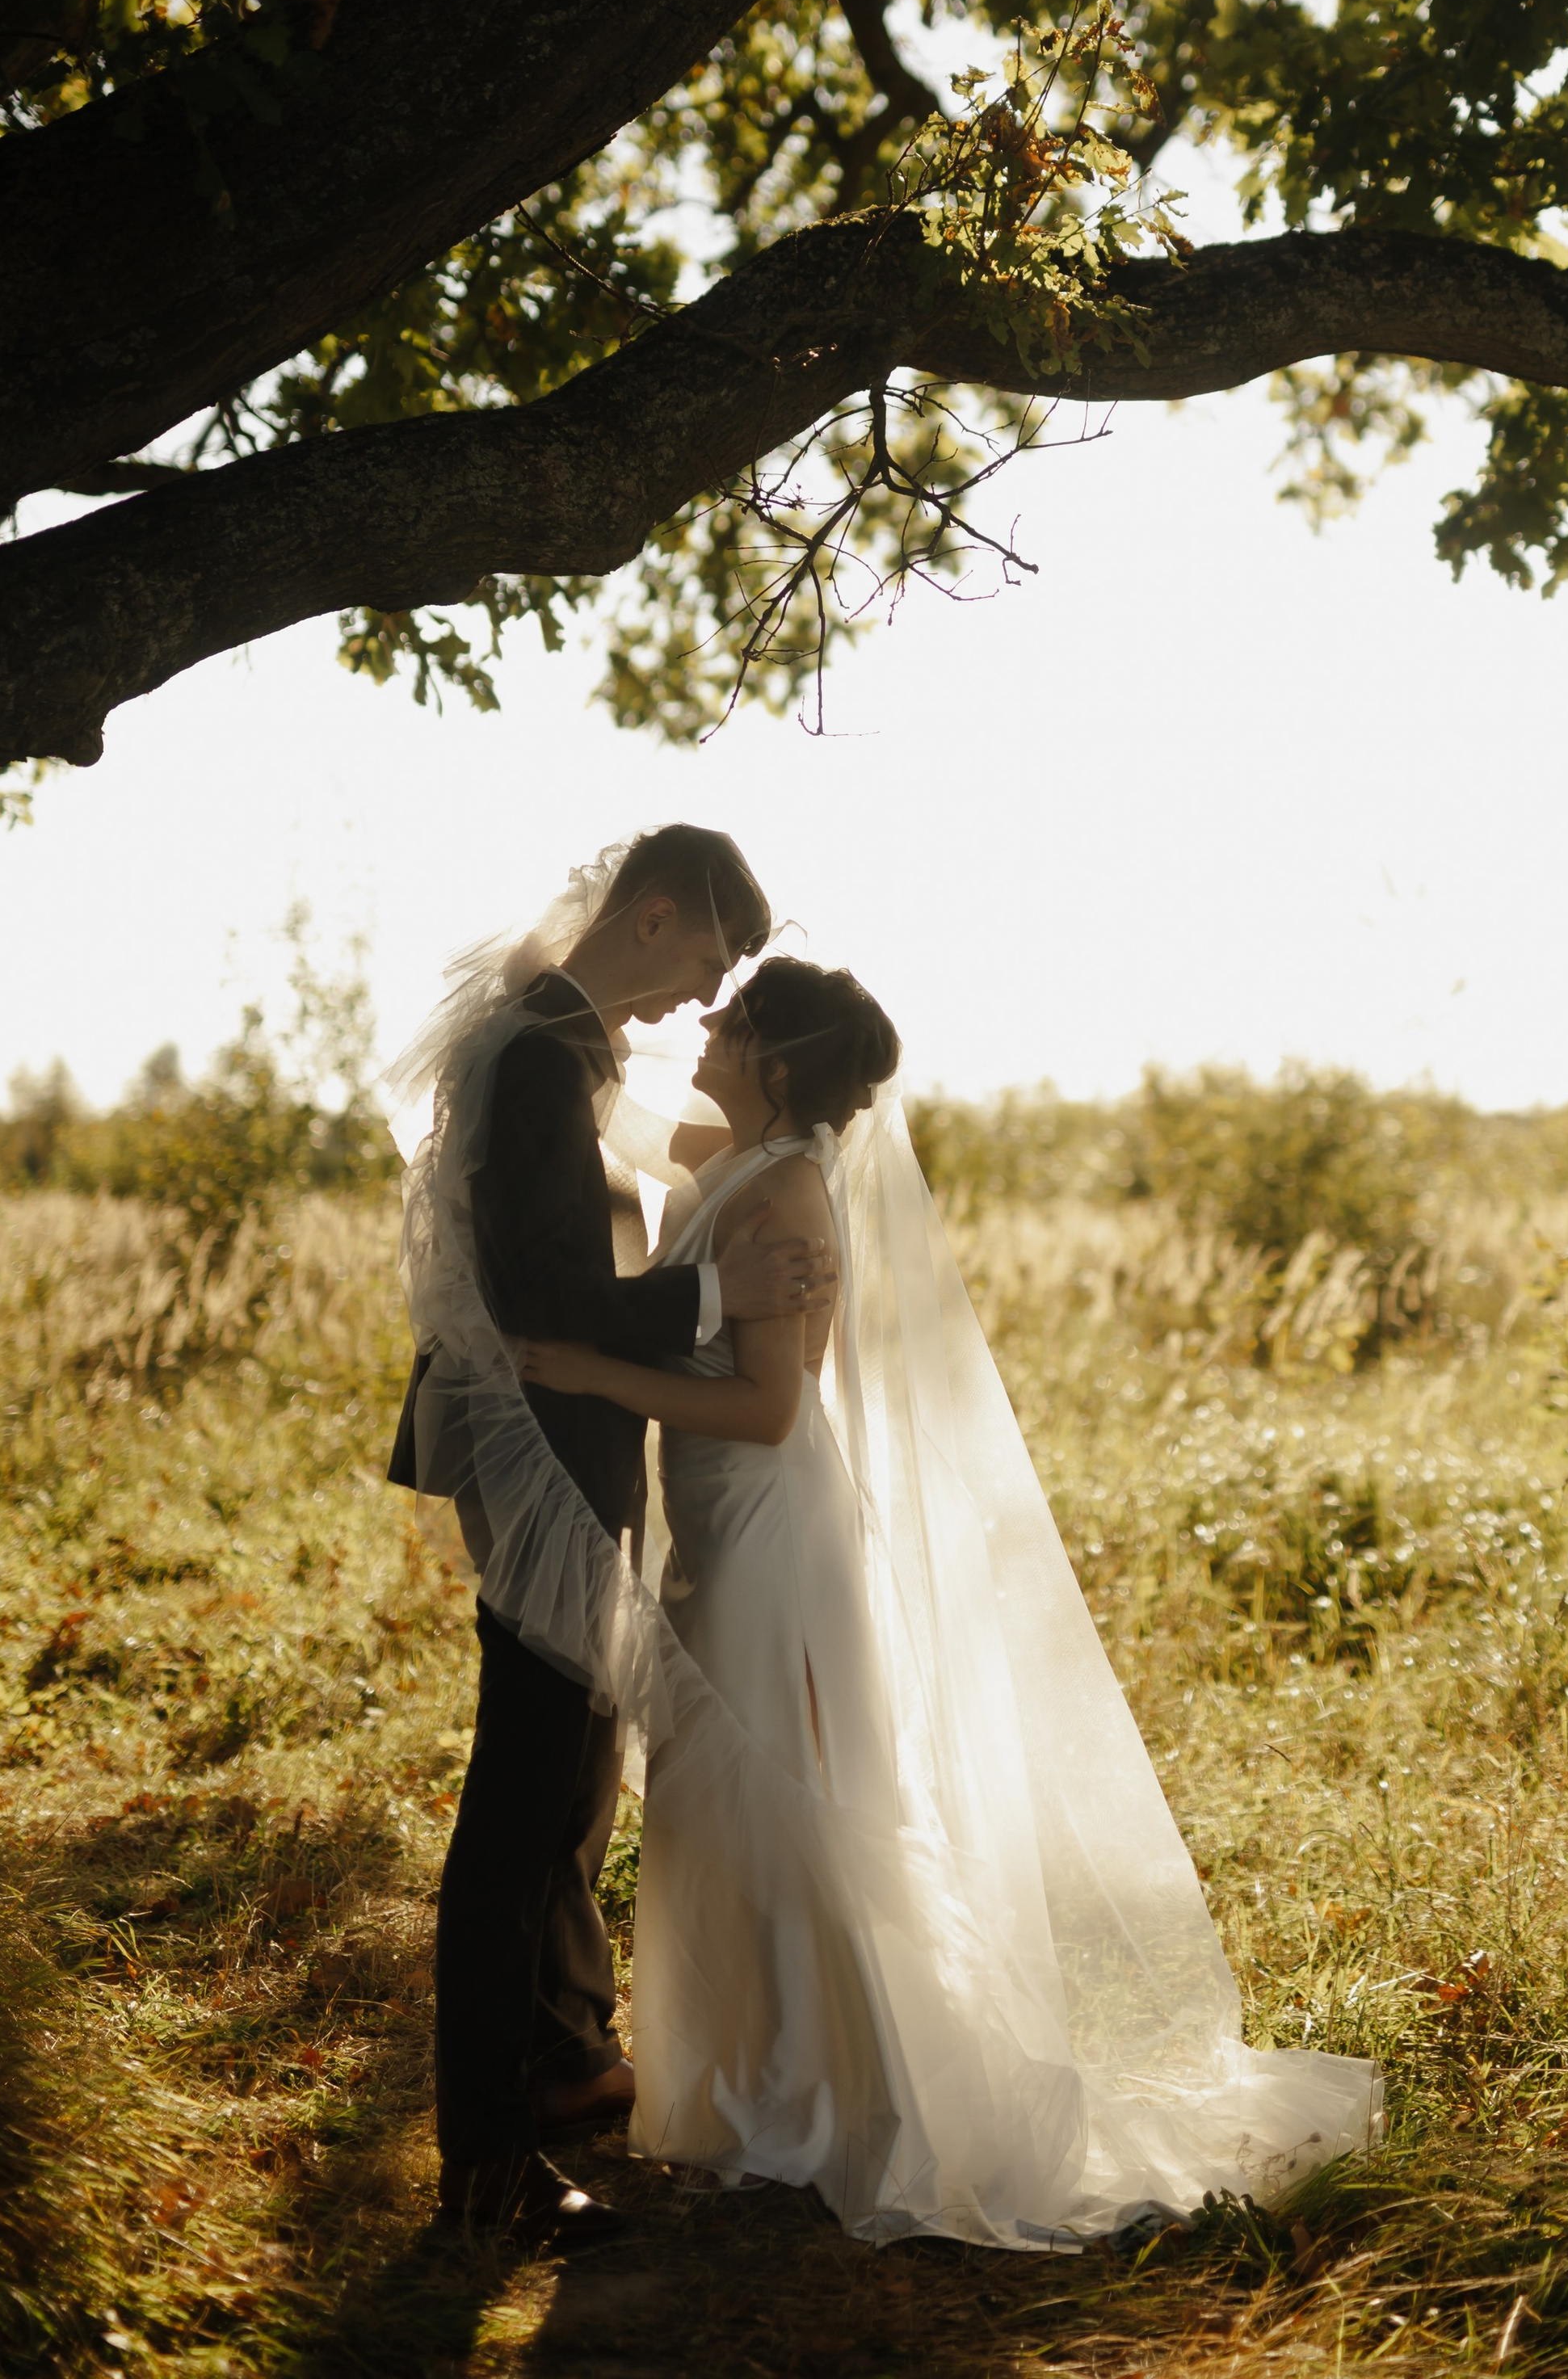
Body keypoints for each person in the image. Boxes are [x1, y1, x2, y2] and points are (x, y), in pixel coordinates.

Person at [519, 955, 1382, 2247]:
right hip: (719, 1530)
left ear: (784, 1065)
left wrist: (590, 1369)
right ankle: (764, 2079)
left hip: (766, 1531)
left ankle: (837, 2099)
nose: (705, 1024)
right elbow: (622, 1113)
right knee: (727, 1797)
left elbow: (765, 1410)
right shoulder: (738, 1154)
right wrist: (539, 989)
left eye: (734, 1018)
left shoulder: (790, 1195)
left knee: (782, 1793)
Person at [385, 826, 837, 2244]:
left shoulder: (562, 1051)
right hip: (539, 1460)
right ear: (650, 918)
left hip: (577, 1452)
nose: (692, 1002)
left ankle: (569, 2054)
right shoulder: (534, 1058)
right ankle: (486, 2162)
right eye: (700, 964)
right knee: (521, 1799)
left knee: (579, 1760)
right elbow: (551, 1299)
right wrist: (719, 1300)